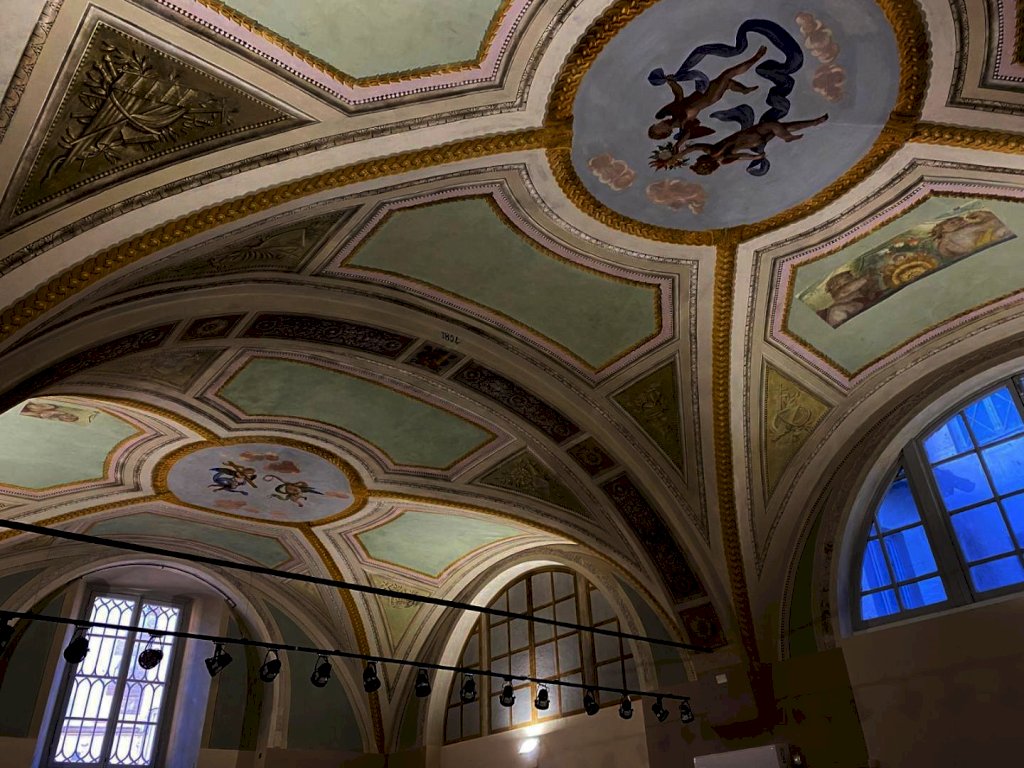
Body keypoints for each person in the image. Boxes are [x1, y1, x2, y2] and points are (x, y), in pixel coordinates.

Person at [647, 46, 768, 145]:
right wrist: (678, 145)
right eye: (660, 128)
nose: (661, 123)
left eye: (658, 124)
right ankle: (756, 58)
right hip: (709, 96)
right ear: (666, 133)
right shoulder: (681, 123)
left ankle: (744, 90)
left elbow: (679, 94)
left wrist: (671, 83)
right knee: (727, 75)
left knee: (728, 83)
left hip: (701, 89)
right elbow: (688, 131)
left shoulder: (673, 112)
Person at [677, 113, 829, 175]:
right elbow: (694, 147)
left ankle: (814, 122)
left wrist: (755, 158)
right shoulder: (712, 151)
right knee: (774, 125)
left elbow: (741, 156)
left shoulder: (723, 160)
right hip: (750, 136)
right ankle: (787, 137)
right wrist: (678, 154)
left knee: (782, 126)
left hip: (753, 142)